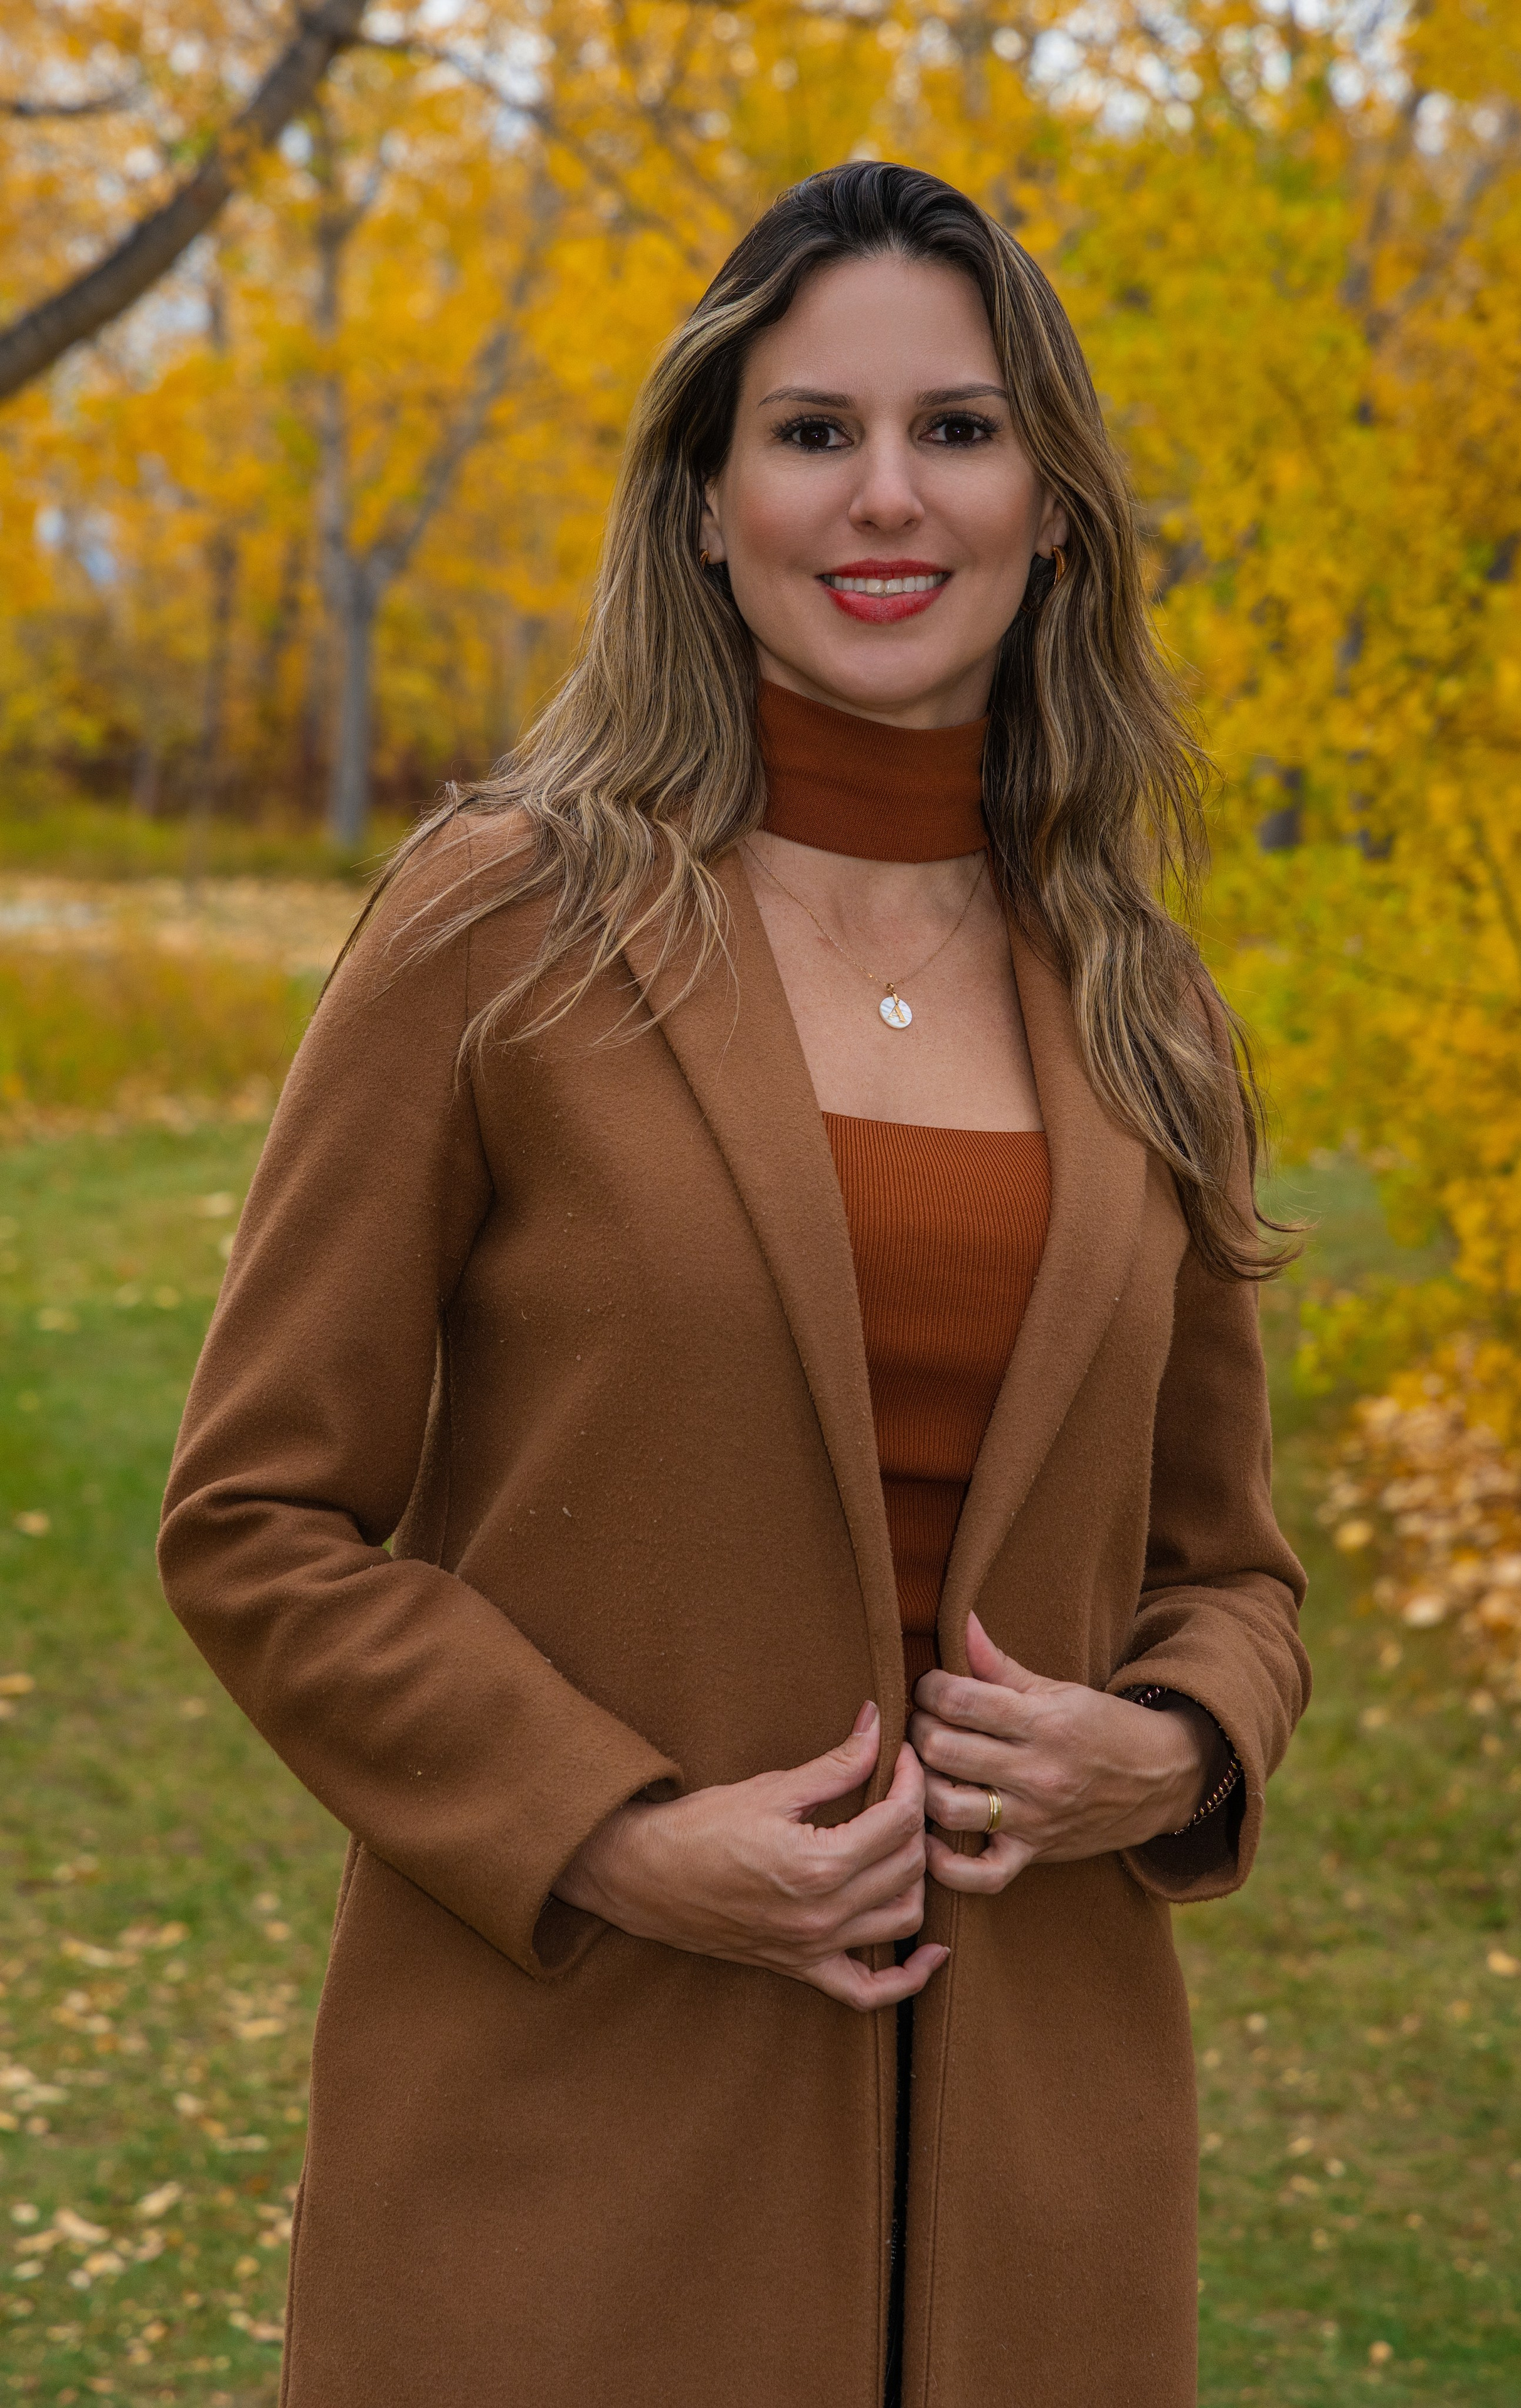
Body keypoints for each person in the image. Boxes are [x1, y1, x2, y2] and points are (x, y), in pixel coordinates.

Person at [158, 161, 1308, 2408]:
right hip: (572, 2149)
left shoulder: (1143, 998)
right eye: (810, 432)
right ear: (702, 501)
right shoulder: (503, 927)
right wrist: (612, 1829)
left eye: (960, 431)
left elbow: (1231, 1577)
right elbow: (257, 1521)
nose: (889, 496)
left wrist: (1161, 1748)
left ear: (1051, 503)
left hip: (1036, 2207)